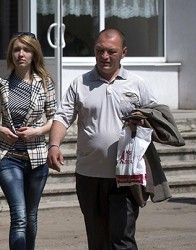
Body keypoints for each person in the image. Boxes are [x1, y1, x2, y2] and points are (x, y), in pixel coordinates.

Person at [47, 28, 157, 249]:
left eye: (111, 51)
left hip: (126, 175)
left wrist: (144, 123)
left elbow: (156, 119)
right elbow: (62, 116)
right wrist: (54, 145)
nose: (104, 56)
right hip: (89, 175)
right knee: (97, 239)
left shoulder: (137, 84)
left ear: (123, 53)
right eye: (100, 51)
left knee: (122, 239)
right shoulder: (80, 83)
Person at [0, 32, 56, 250]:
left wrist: (37, 131)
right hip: (8, 157)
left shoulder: (45, 83)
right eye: (16, 50)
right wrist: (1, 129)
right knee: (20, 216)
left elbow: (55, 118)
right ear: (11, 54)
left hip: (36, 158)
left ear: (34, 54)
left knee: (31, 216)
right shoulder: (0, 84)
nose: (21, 54)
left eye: (26, 50)